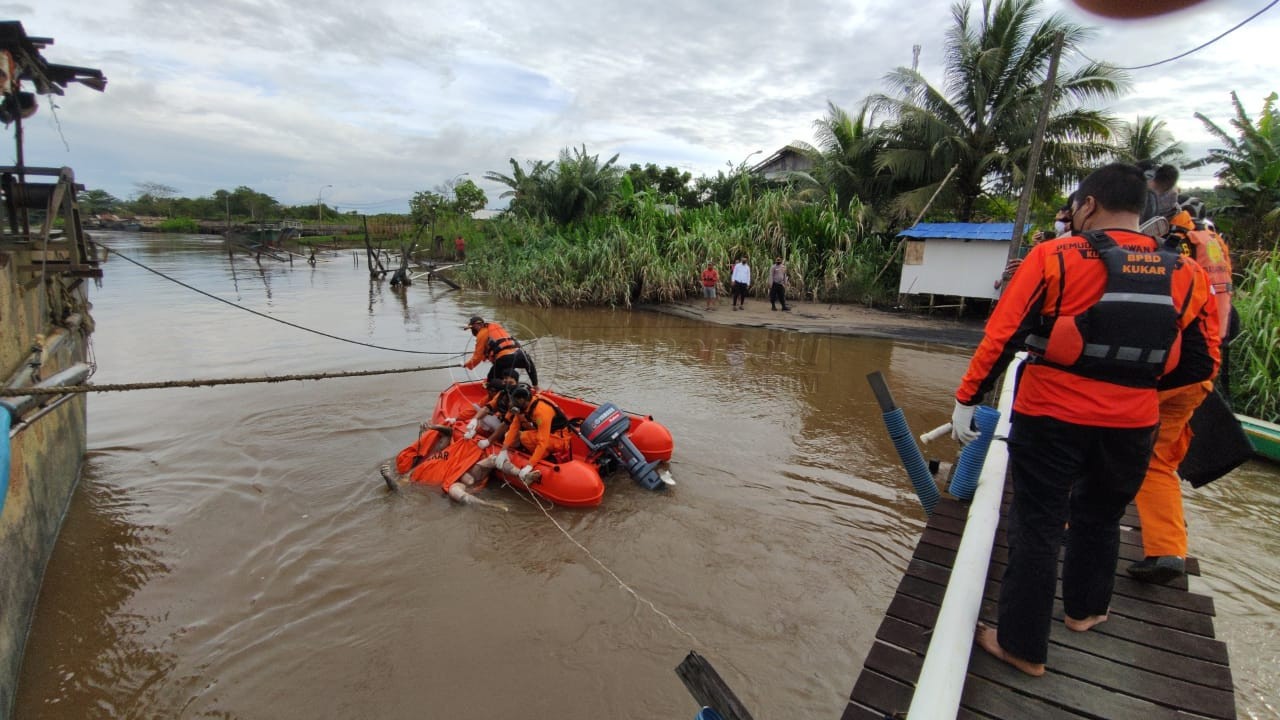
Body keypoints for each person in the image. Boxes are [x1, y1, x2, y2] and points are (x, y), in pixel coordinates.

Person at [952, 163, 1217, 677]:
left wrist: (967, 398)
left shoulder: (1054, 257)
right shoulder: (1186, 273)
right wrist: (1133, 386)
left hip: (1051, 415)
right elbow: (1200, 362)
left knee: (1037, 524)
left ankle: (1023, 648)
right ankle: (1085, 611)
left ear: (1088, 205)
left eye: (1074, 206)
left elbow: (1002, 334)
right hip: (1134, 423)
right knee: (1100, 517)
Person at [1128, 202, 1226, 584]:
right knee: (1158, 461)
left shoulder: (1167, 259)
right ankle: (1167, 549)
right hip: (1199, 375)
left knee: (1096, 435)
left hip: (1160, 372)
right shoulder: (1207, 251)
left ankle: (1068, 523)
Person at [499, 384, 573, 484]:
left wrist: (530, 464)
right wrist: (503, 450)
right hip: (548, 432)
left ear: (521, 400)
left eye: (514, 400)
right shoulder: (526, 406)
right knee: (509, 435)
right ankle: (537, 454)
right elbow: (514, 428)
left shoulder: (541, 412)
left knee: (524, 437)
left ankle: (546, 457)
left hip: (559, 439)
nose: (511, 404)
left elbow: (543, 441)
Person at [463, 315, 539, 387]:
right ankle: (536, 387)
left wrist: (467, 364)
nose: (472, 331)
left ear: (477, 326)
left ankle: (495, 395)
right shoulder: (496, 327)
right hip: (521, 355)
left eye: (472, 329)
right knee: (528, 366)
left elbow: (477, 357)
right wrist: (486, 355)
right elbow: (495, 347)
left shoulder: (481, 334)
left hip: (504, 359)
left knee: (491, 381)